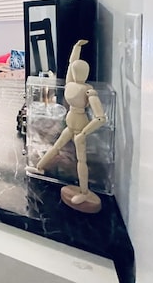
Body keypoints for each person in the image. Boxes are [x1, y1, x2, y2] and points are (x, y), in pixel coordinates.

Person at [26, 39, 107, 212]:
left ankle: (84, 192)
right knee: (55, 147)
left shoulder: (89, 91)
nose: (74, 72)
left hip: (80, 128)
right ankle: (39, 167)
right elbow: (71, 64)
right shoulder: (71, 84)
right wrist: (76, 48)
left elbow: (101, 118)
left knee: (81, 160)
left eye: (77, 70)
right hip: (70, 125)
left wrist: (84, 133)